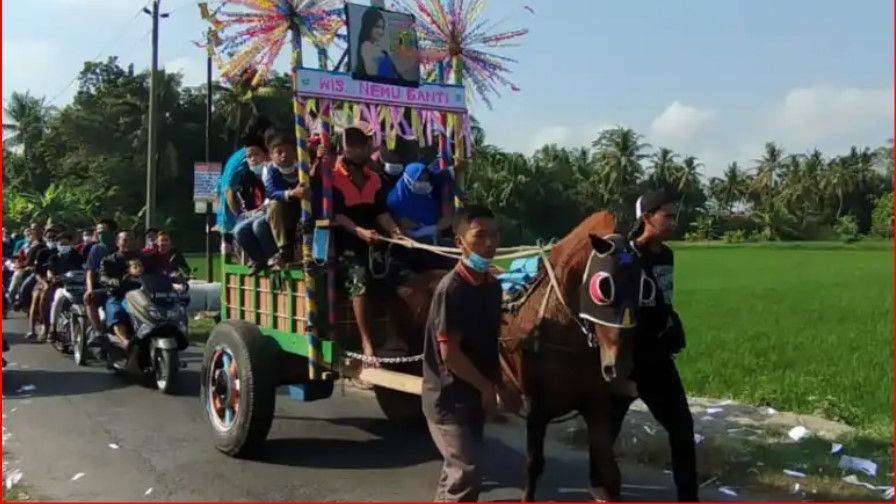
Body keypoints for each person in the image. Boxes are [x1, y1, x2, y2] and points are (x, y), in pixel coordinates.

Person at [609, 188, 697, 502]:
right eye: (667, 216)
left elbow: (664, 298)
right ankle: (603, 492)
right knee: (604, 435)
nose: (673, 222)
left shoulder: (667, 255)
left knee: (682, 429)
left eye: (676, 216)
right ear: (647, 217)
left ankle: (689, 498)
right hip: (627, 359)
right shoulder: (625, 253)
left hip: (657, 359)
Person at [421, 205, 507, 502]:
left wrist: (499, 385)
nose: (490, 243)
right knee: (465, 473)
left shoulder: (492, 287)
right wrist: (486, 386)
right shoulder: (453, 289)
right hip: (448, 399)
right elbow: (451, 354)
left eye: (494, 235)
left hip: (473, 397)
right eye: (480, 235)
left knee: (455, 474)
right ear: (459, 242)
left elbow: (491, 341)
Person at [319, 121, 404, 369]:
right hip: (345, 242)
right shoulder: (331, 176)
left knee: (397, 271)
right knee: (360, 278)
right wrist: (360, 233)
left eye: (365, 143)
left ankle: (393, 336)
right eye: (355, 144)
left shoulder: (375, 178)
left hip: (374, 239)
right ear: (346, 148)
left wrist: (396, 232)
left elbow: (381, 212)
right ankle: (367, 343)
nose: (363, 149)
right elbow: (337, 215)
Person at [217, 115, 273, 254]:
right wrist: (241, 215)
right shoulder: (250, 154)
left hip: (224, 217)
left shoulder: (238, 155)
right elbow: (229, 191)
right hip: (233, 218)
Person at [231, 134, 278, 273]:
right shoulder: (247, 177)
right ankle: (259, 259)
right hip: (259, 212)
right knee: (238, 230)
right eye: (249, 156)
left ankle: (275, 256)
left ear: (266, 155)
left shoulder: (271, 170)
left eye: (256, 155)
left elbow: (273, 195)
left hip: (275, 208)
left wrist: (260, 209)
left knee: (258, 225)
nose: (252, 159)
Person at [262, 128, 306, 266]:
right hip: (283, 209)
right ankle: (283, 249)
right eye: (279, 152)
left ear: (295, 152)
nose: (283, 155)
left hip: (302, 207)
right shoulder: (272, 170)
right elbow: (270, 192)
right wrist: (291, 193)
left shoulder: (302, 168)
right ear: (272, 155)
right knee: (273, 205)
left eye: (287, 151)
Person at [98, 232, 144, 352]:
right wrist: (112, 281)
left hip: (142, 297)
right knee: (116, 312)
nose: (128, 243)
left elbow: (157, 273)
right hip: (118, 295)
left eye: (130, 240)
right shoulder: (109, 260)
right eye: (124, 240)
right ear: (117, 242)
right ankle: (125, 342)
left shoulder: (143, 258)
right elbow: (102, 277)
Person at [42, 232, 84, 342]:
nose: (64, 246)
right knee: (58, 300)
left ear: (71, 244)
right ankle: (53, 329)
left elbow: (85, 268)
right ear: (57, 244)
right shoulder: (54, 257)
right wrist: (52, 277)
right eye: (61, 244)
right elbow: (49, 270)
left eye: (66, 243)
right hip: (62, 286)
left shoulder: (78, 256)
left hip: (78, 286)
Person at [83, 219, 118, 337]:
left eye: (103, 231)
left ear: (113, 232)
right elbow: (90, 271)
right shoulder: (96, 249)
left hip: (120, 286)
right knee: (89, 299)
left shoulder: (121, 247)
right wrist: (90, 288)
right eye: (98, 231)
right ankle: (97, 331)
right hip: (101, 288)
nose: (100, 234)